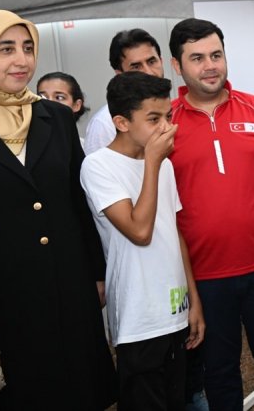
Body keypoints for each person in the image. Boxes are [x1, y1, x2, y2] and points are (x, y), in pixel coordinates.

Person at [168, 18, 254, 411]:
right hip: (205, 274)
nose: (210, 66)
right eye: (197, 58)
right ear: (177, 66)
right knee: (219, 371)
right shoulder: (167, 122)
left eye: (216, 55)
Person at [0, 9, 116, 410]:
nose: (21, 60)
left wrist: (97, 272)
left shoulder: (54, 116)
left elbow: (78, 199)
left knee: (78, 388)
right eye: (6, 49)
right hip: (3, 295)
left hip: (68, 284)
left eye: (28, 48)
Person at [81, 71, 205, 410]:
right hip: (138, 319)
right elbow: (139, 230)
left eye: (168, 116)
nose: (166, 128)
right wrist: (152, 162)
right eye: (153, 119)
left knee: (177, 400)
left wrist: (193, 300)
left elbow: (172, 232)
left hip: (174, 310)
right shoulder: (98, 166)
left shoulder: (162, 164)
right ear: (121, 122)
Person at [83, 28, 165, 155]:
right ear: (119, 74)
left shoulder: (174, 108)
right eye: (136, 66)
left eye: (151, 61)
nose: (148, 72)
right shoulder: (104, 123)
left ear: (161, 61)